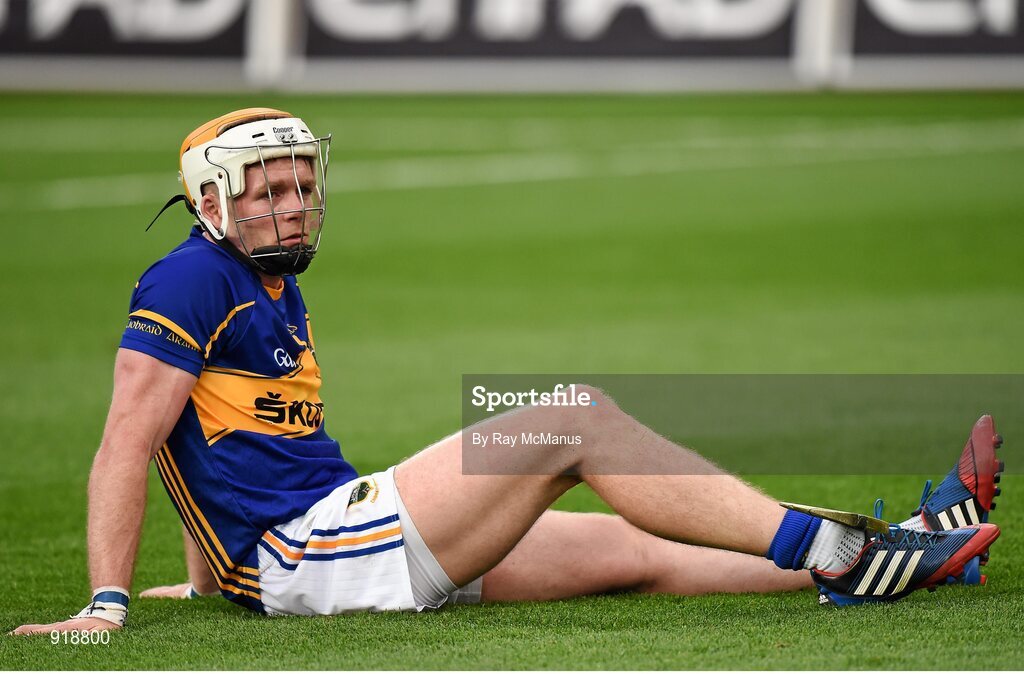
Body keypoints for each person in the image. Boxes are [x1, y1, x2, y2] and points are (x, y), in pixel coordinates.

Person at [10, 109, 1005, 635]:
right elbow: (127, 443)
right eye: (269, 190)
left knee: (635, 549)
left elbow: (222, 444)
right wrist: (109, 600)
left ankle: (905, 547)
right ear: (212, 201)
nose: (296, 204)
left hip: (324, 541)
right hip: (313, 555)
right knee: (568, 418)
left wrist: (201, 578)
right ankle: (836, 546)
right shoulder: (189, 277)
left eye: (305, 184)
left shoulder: (269, 282)